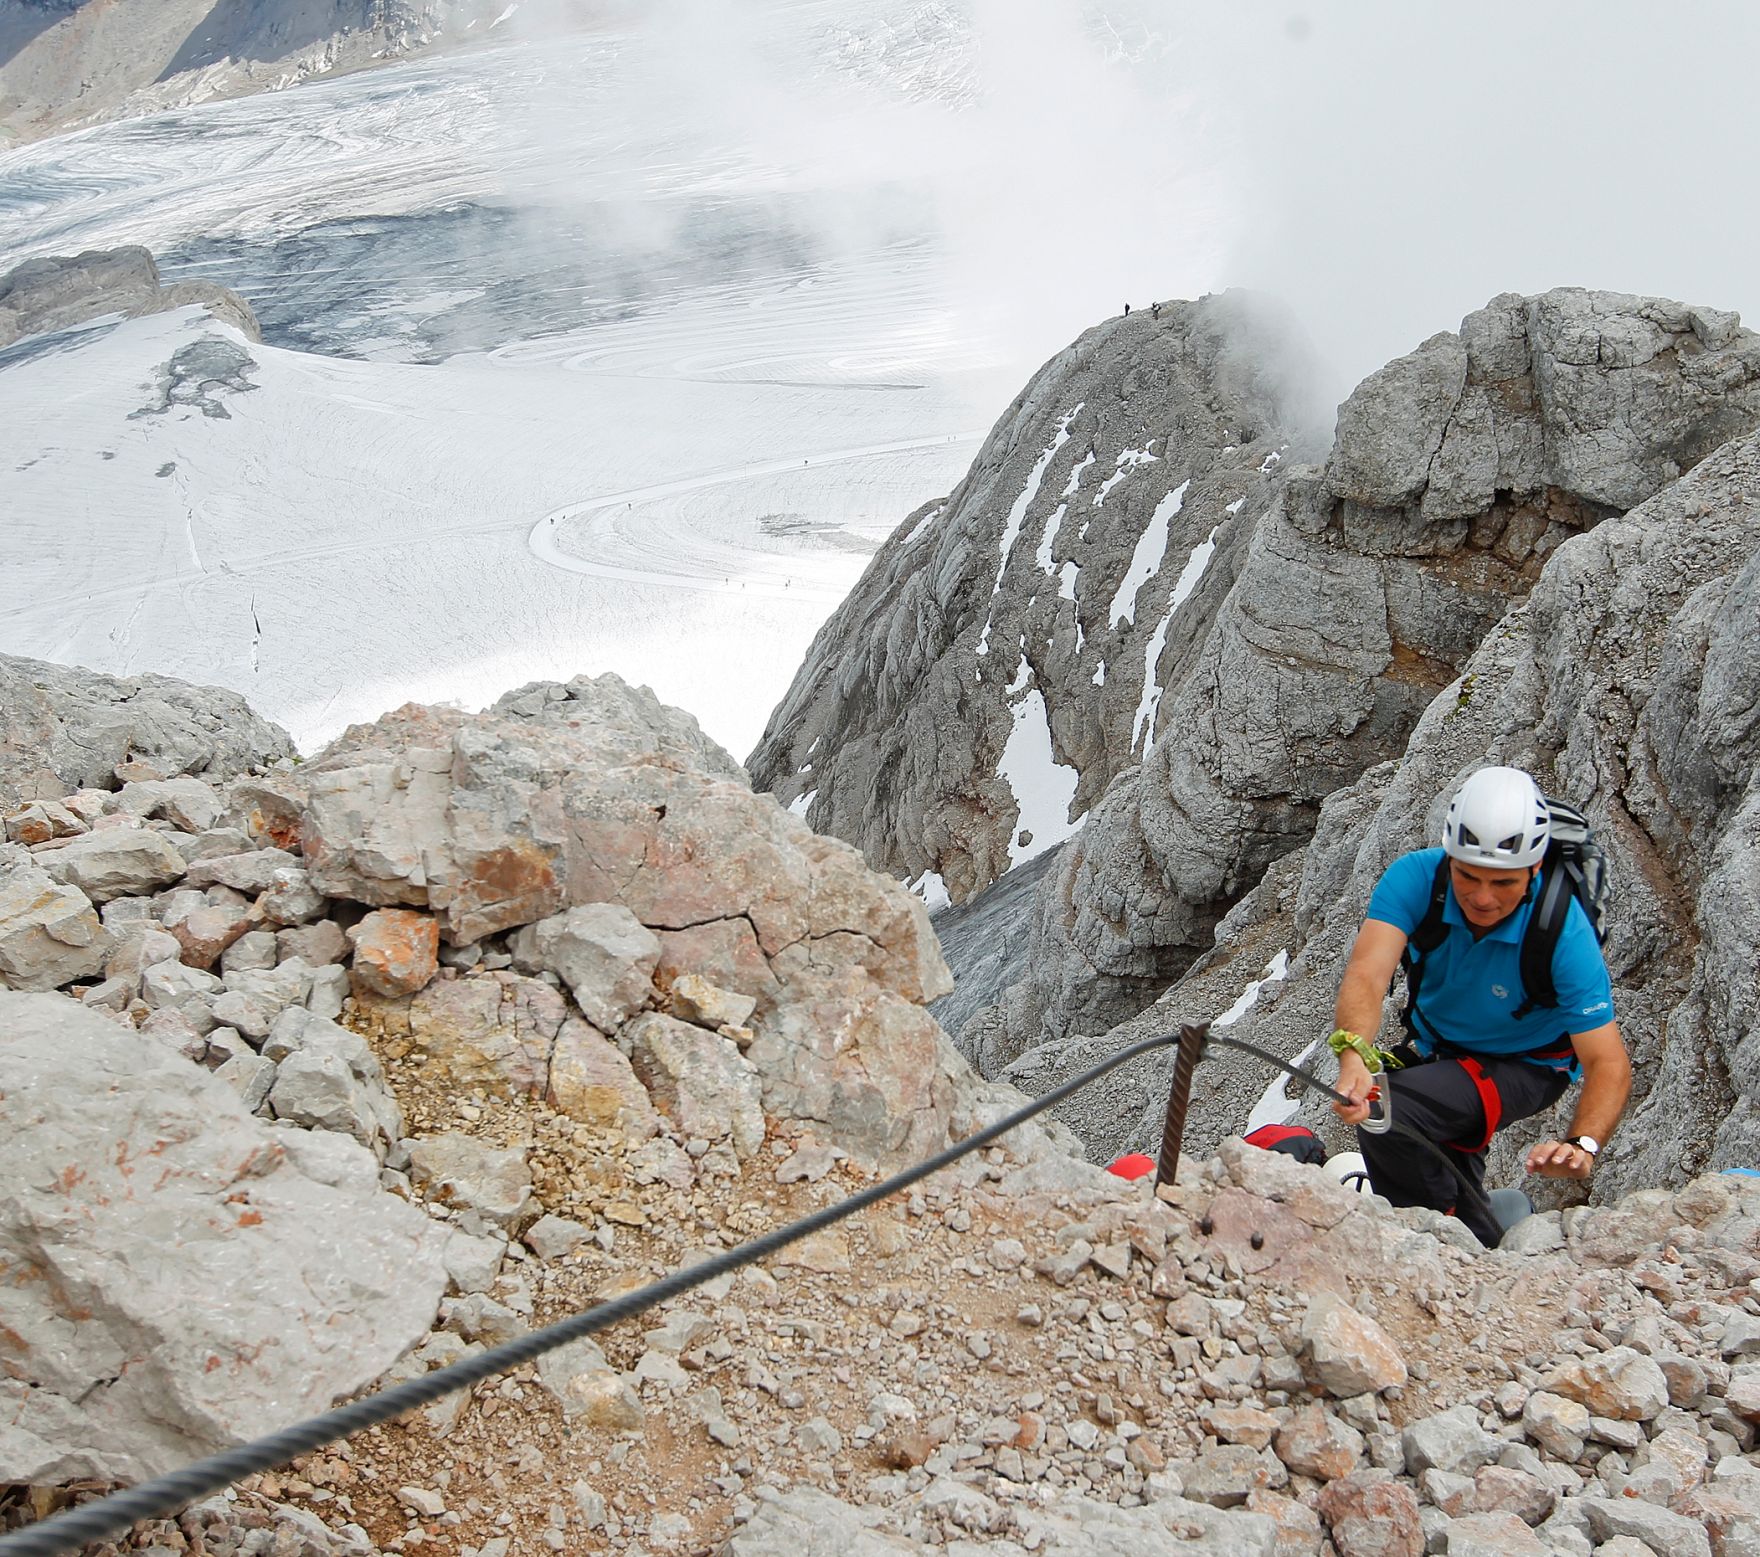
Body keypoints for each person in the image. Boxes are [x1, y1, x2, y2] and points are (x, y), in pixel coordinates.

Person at [1329, 765, 1632, 1246]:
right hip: (1439, 1049)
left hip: (1528, 1066)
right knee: (1433, 1138)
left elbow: (1607, 1061)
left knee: (1390, 1107)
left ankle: (1448, 1242)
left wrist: (1582, 1143)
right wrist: (1353, 1054)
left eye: (1504, 883)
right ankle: (1490, 1229)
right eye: (1468, 876)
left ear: (1534, 870)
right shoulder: (1415, 879)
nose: (1482, 898)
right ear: (1449, 855)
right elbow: (1368, 973)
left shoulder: (1562, 931)